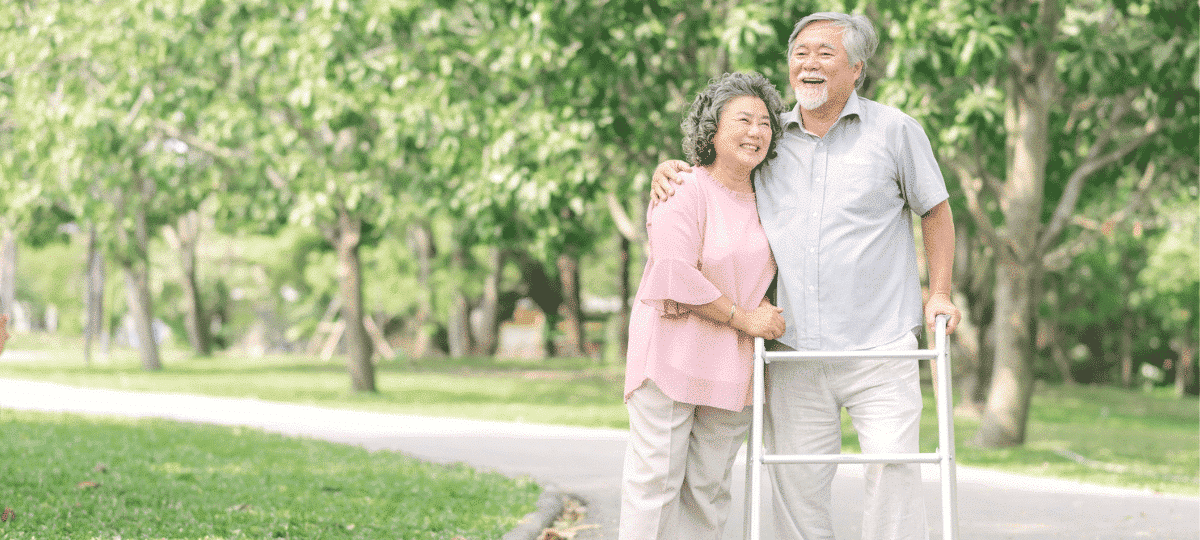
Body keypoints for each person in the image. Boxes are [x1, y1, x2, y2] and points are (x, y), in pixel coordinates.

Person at [651, 12, 962, 540]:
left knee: (893, 471)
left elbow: (935, 210)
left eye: (825, 53)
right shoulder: (768, 139)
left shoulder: (896, 130)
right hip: (795, 350)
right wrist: (669, 168)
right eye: (800, 53)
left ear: (856, 69)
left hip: (881, 347)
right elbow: (718, 176)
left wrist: (940, 292)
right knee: (796, 487)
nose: (809, 64)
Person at [620, 71, 788, 540]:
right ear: (711, 130)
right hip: (672, 356)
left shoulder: (772, 199)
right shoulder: (683, 188)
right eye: (743, 119)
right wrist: (744, 317)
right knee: (655, 484)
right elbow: (674, 272)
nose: (756, 131)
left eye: (765, 122)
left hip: (731, 364)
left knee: (709, 491)